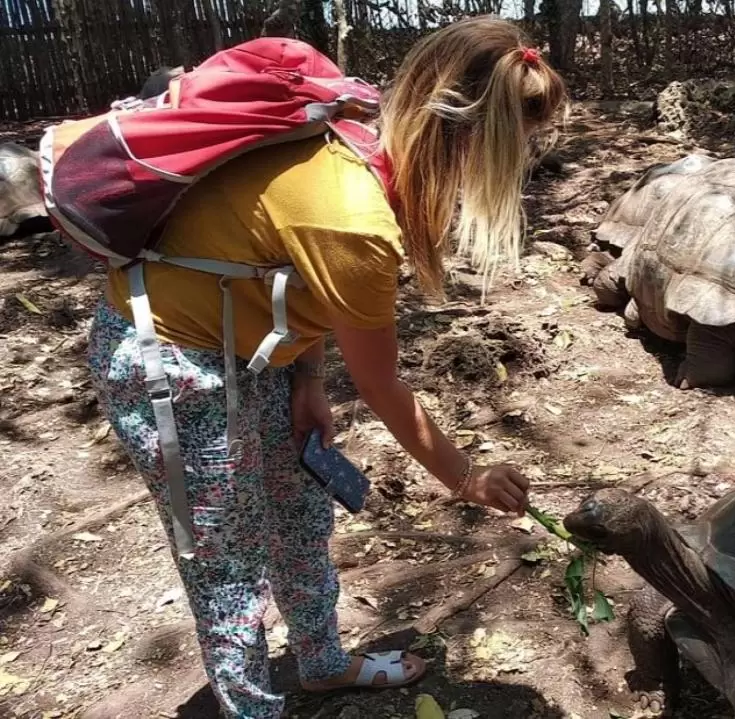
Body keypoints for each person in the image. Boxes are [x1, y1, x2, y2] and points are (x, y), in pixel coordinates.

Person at [85, 16, 567, 719]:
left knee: (300, 513)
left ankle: (320, 663)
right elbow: (382, 386)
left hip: (253, 348)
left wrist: (306, 378)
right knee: (228, 562)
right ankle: (252, 708)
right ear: (466, 140)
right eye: (504, 158)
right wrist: (466, 477)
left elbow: (290, 272)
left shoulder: (364, 128)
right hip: (171, 359)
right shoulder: (355, 219)